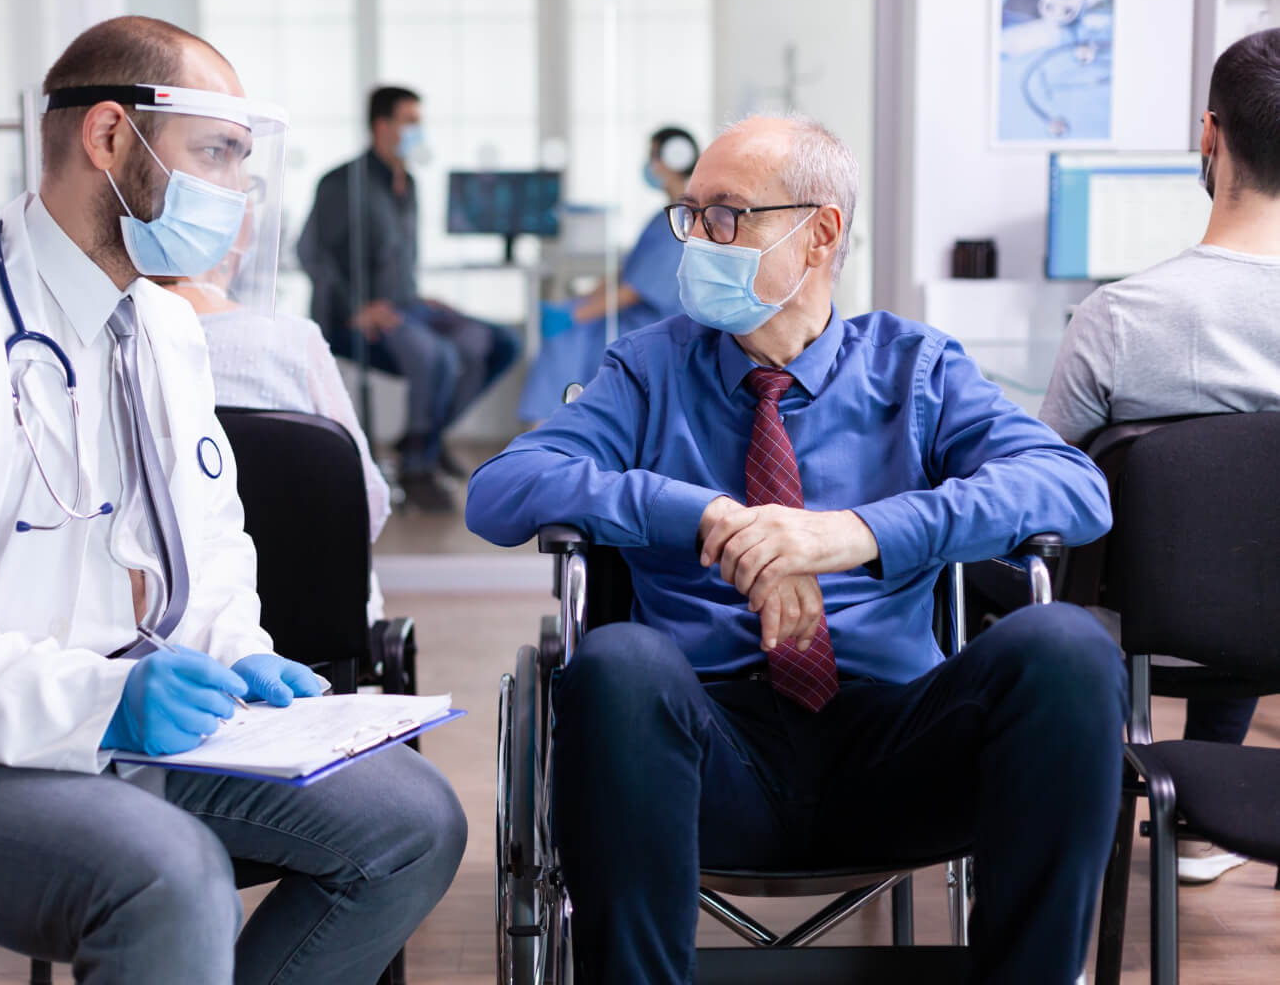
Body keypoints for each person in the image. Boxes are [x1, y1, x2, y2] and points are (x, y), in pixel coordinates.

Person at [0, 16, 465, 985]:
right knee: (168, 875)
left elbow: (210, 544)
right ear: (110, 137)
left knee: (411, 819)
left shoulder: (160, 328)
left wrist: (240, 654)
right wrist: (104, 699)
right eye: (220, 155)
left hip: (119, 718)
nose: (240, 194)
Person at [467, 114, 1124, 984]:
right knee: (617, 661)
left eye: (727, 214)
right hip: (700, 754)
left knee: (1068, 648)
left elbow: (1075, 488)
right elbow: (502, 489)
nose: (698, 238)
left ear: (819, 234)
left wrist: (853, 534)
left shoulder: (915, 370)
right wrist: (702, 514)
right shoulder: (647, 370)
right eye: (692, 214)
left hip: (897, 744)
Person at [1041, 26, 1280, 887]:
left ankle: (1073, 796)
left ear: (1210, 138)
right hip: (1259, 626)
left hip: (1131, 627)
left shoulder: (1120, 317)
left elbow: (1049, 489)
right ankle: (1210, 823)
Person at [156, 217, 392, 624]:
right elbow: (368, 503)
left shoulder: (119, 336)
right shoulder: (294, 341)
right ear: (241, 238)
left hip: (172, 616)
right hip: (315, 621)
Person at [298, 85, 520, 512]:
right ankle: (418, 466)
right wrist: (355, 308)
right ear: (383, 126)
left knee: (492, 344)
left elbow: (398, 259)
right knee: (438, 356)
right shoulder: (344, 183)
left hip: (405, 306)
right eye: (410, 121)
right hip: (354, 316)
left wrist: (418, 297)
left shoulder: (409, 184)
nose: (419, 130)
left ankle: (424, 438)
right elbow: (312, 254)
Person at [517, 126, 696, 422]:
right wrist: (581, 301)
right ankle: (550, 424)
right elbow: (627, 272)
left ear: (672, 160)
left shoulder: (681, 220)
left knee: (570, 335)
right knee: (570, 319)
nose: (649, 164)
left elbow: (636, 289)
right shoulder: (663, 215)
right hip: (635, 311)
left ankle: (548, 426)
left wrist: (575, 316)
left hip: (652, 320)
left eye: (653, 155)